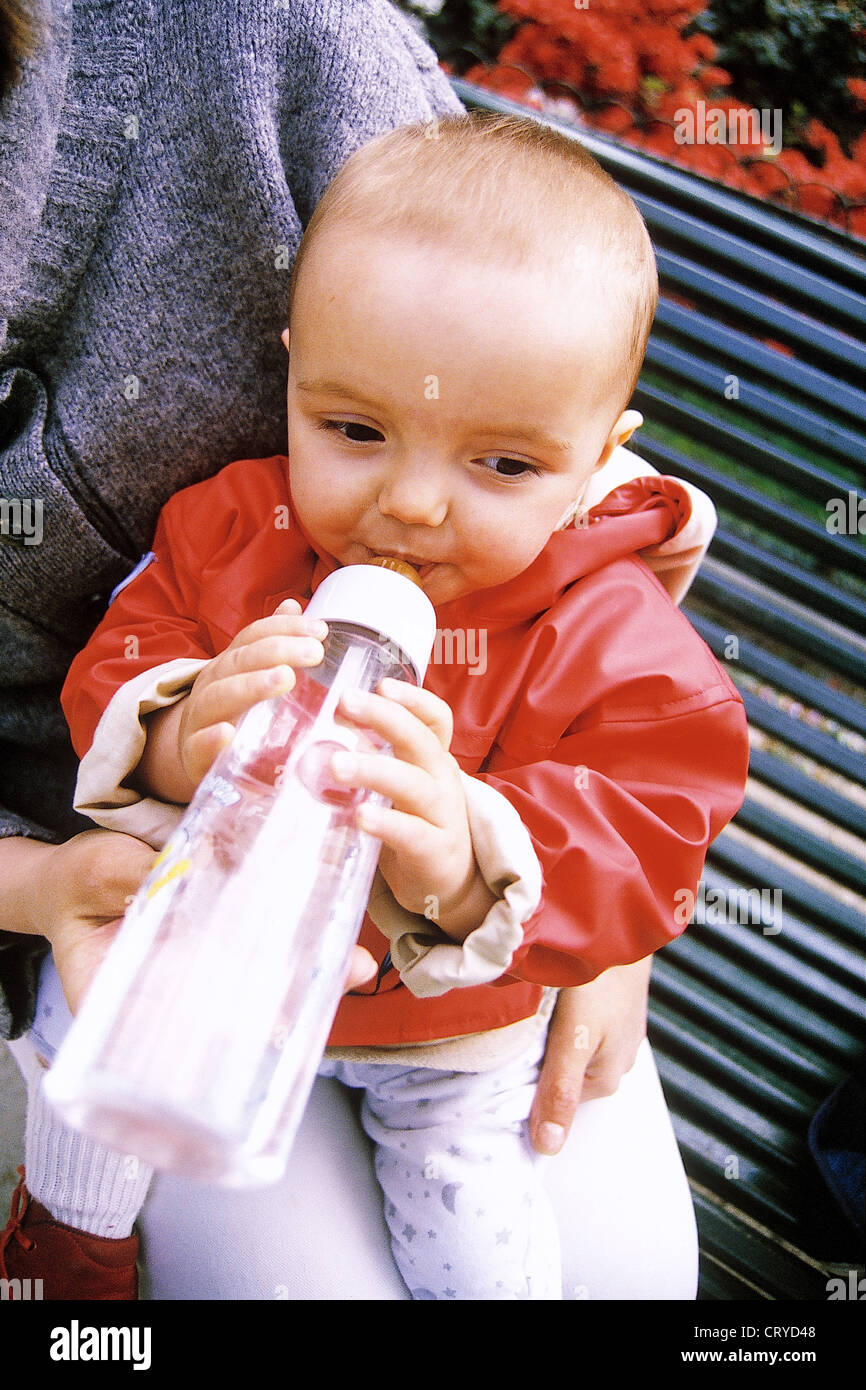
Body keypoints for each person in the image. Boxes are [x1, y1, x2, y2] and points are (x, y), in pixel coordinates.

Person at [4, 111, 748, 1300]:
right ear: (290, 369)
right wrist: (188, 727)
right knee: (91, 1055)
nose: (409, 505)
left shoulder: (610, 629)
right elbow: (121, 652)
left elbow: (654, 818)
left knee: (484, 1236)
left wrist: (468, 861)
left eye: (502, 464)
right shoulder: (233, 528)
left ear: (598, 457)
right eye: (352, 430)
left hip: (461, 1034)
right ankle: (64, 1259)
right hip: (228, 967)